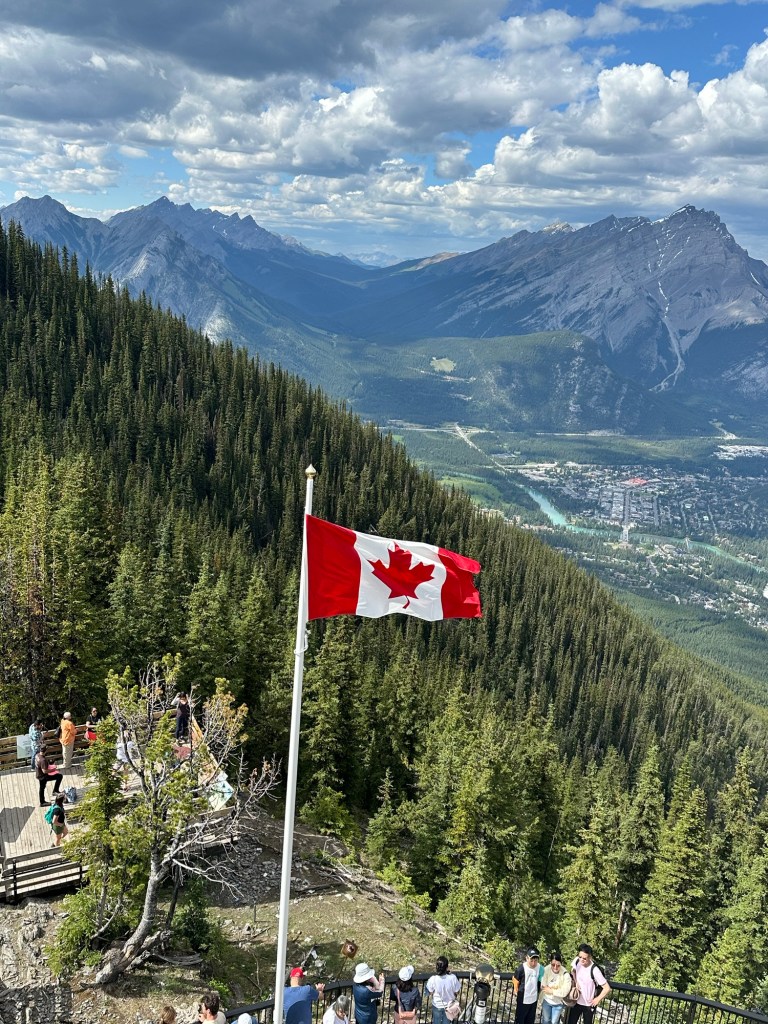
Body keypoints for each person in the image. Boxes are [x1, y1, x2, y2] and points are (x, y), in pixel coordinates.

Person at [570, 944, 611, 1024]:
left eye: (584, 958)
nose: (581, 960)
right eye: (580, 957)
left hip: (588, 1004)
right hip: (576, 1001)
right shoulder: (577, 961)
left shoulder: (595, 970)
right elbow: (573, 971)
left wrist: (597, 999)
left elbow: (607, 988)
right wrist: (576, 981)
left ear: (590, 957)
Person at [513, 948, 543, 1024]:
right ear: (527, 958)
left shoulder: (540, 968)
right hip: (523, 999)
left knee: (530, 1020)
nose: (533, 963)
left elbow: (543, 977)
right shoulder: (521, 968)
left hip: (533, 999)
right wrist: (516, 990)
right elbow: (515, 979)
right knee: (520, 1020)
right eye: (531, 960)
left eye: (535, 960)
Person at [426, 956, 460, 1024]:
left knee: (436, 1021)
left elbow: (429, 992)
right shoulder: (453, 978)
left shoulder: (433, 979)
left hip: (437, 1005)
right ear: (446, 967)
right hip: (449, 1006)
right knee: (446, 1022)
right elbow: (457, 991)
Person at [540, 950, 571, 1024]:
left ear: (561, 964)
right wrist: (557, 990)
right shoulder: (546, 969)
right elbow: (543, 986)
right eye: (553, 965)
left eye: (558, 965)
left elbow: (564, 992)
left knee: (554, 1022)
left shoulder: (565, 974)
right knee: (546, 1020)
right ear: (550, 963)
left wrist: (551, 991)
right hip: (546, 1000)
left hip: (558, 1003)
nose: (555, 967)